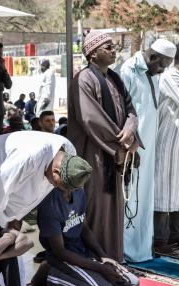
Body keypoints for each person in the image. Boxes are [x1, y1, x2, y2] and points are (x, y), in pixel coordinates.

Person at [68, 31, 139, 262]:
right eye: (107, 46)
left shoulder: (115, 78)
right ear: (92, 53)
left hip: (116, 152)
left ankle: (114, 258)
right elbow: (91, 119)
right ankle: (95, 262)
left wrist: (130, 129)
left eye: (112, 46)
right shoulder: (83, 79)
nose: (113, 49)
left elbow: (130, 110)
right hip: (95, 155)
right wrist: (119, 144)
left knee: (114, 209)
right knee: (96, 208)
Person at [34, 160, 140, 286]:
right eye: (67, 188)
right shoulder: (49, 205)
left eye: (74, 189)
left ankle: (86, 275)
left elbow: (83, 228)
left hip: (82, 254)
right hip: (61, 259)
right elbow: (60, 251)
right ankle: (50, 275)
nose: (71, 192)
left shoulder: (78, 189)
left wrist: (103, 256)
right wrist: (98, 268)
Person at [120, 38, 176, 262]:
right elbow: (121, 109)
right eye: (162, 64)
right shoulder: (129, 70)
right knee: (131, 198)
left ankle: (142, 249)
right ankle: (127, 249)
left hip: (150, 148)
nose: (163, 70)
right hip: (134, 147)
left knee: (145, 198)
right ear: (153, 57)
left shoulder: (153, 73)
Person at [0, 131, 77, 229]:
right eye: (57, 184)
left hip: (9, 169)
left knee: (8, 223)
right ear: (56, 171)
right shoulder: (28, 156)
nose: (54, 186)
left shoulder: (68, 155)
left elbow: (38, 194)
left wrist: (17, 217)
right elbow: (1, 186)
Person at [155, 46, 179, 254]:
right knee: (164, 191)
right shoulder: (171, 77)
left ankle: (174, 237)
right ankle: (161, 241)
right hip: (166, 143)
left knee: (176, 191)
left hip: (177, 144)